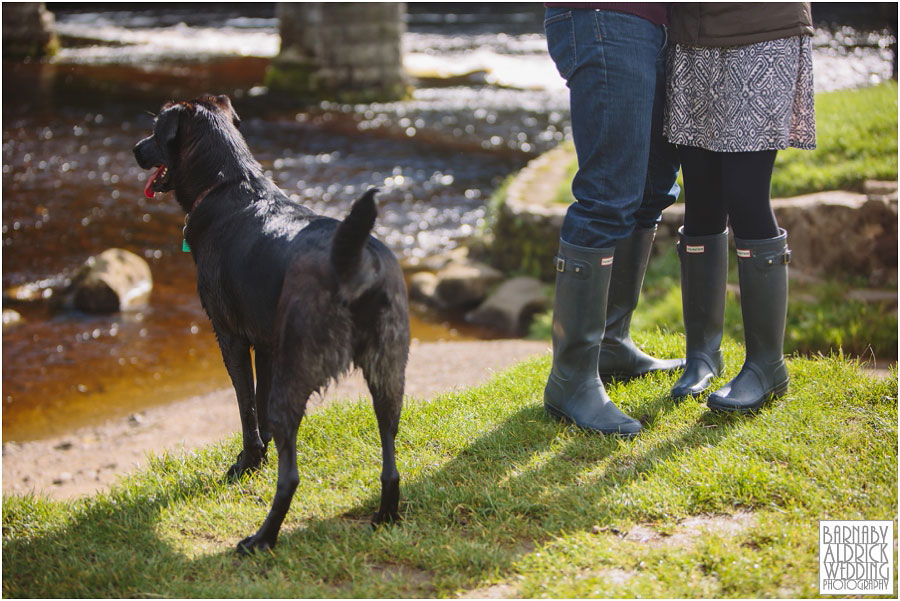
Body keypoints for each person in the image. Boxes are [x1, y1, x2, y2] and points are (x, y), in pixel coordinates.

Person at [664, 3, 816, 412]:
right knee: (701, 196)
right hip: (693, 37)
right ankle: (702, 356)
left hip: (762, 32)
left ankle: (767, 367)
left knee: (746, 195)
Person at [542, 4, 684, 436]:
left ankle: (610, 344)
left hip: (662, 21)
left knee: (652, 191)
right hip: (607, 15)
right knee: (608, 196)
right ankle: (572, 379)